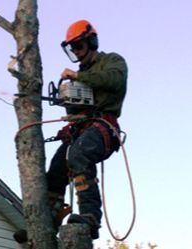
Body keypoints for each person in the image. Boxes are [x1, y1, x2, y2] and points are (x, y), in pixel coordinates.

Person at [45, 19, 128, 239]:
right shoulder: (80, 74)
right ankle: (47, 221)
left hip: (103, 125)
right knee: (55, 169)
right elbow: (75, 107)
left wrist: (78, 76)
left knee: (80, 155)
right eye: (73, 49)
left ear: (91, 41)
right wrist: (67, 97)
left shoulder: (112, 61)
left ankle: (90, 216)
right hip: (80, 127)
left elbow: (114, 81)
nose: (77, 53)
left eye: (79, 46)